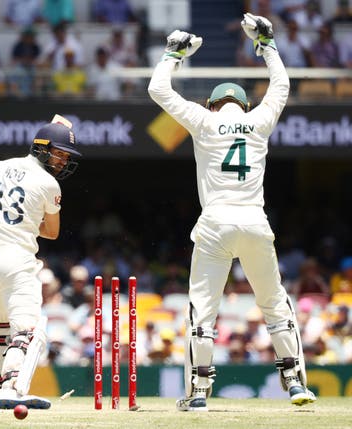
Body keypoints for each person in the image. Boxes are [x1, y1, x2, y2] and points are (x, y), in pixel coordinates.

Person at [147, 13, 316, 411]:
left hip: (215, 222)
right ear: (242, 104)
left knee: (202, 310)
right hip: (255, 221)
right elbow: (282, 85)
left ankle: (199, 393)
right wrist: (266, 44)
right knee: (274, 303)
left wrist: (174, 53)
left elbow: (157, 88)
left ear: (213, 104)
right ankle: (294, 384)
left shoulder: (203, 121)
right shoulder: (258, 121)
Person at [0, 114, 81, 410]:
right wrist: (21, 223)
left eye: (66, 156)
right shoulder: (50, 184)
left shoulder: (0, 166)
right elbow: (52, 232)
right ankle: (13, 388)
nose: (62, 161)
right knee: (31, 329)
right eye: (59, 154)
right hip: (16, 261)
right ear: (41, 148)